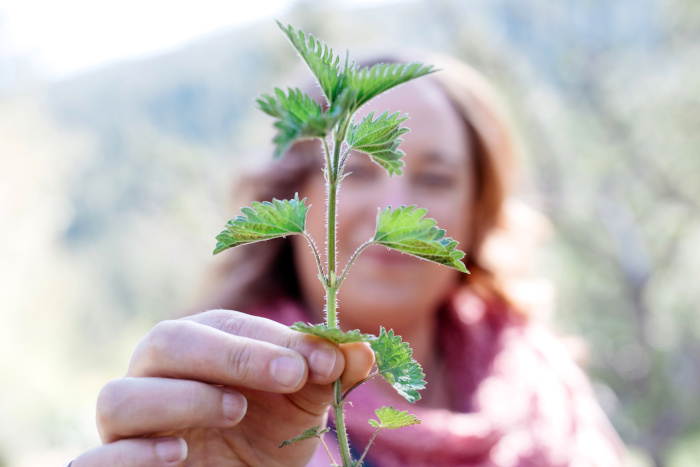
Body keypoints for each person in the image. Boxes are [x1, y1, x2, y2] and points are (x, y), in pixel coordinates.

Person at [69, 52, 626, 466]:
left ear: (478, 217)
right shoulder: (225, 404)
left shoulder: (544, 382)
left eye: (434, 178)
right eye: (354, 170)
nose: (393, 205)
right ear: (292, 197)